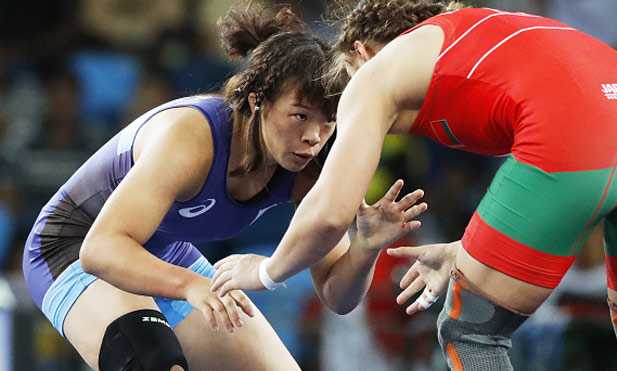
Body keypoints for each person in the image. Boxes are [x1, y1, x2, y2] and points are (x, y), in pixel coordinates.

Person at [210, 1, 617, 370]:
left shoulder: (374, 73)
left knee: (472, 333)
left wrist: (264, 271)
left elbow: (331, 214)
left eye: (344, 84)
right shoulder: (472, 40)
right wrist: (470, 249)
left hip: (573, 130)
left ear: (362, 53)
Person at [21, 3, 428, 371]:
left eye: (328, 122)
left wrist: (365, 247)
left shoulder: (312, 166)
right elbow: (100, 249)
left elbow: (338, 298)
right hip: (71, 248)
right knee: (157, 364)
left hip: (164, 253)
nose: (314, 137)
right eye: (300, 116)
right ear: (256, 101)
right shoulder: (191, 137)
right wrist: (190, 284)